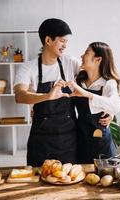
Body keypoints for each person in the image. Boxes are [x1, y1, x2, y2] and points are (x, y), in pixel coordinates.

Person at [14, 18, 111, 167]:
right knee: (39, 183)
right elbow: (20, 96)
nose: (65, 45)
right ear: (48, 40)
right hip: (41, 141)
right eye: (62, 41)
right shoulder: (28, 68)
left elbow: (101, 79)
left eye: (66, 41)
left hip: (69, 140)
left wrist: (109, 109)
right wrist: (48, 96)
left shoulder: (71, 63)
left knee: (69, 182)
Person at [67, 42, 120, 164]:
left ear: (98, 59)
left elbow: (116, 105)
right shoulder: (78, 80)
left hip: (101, 142)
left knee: (105, 178)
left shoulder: (108, 83)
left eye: (86, 53)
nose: (82, 56)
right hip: (80, 140)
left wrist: (87, 94)